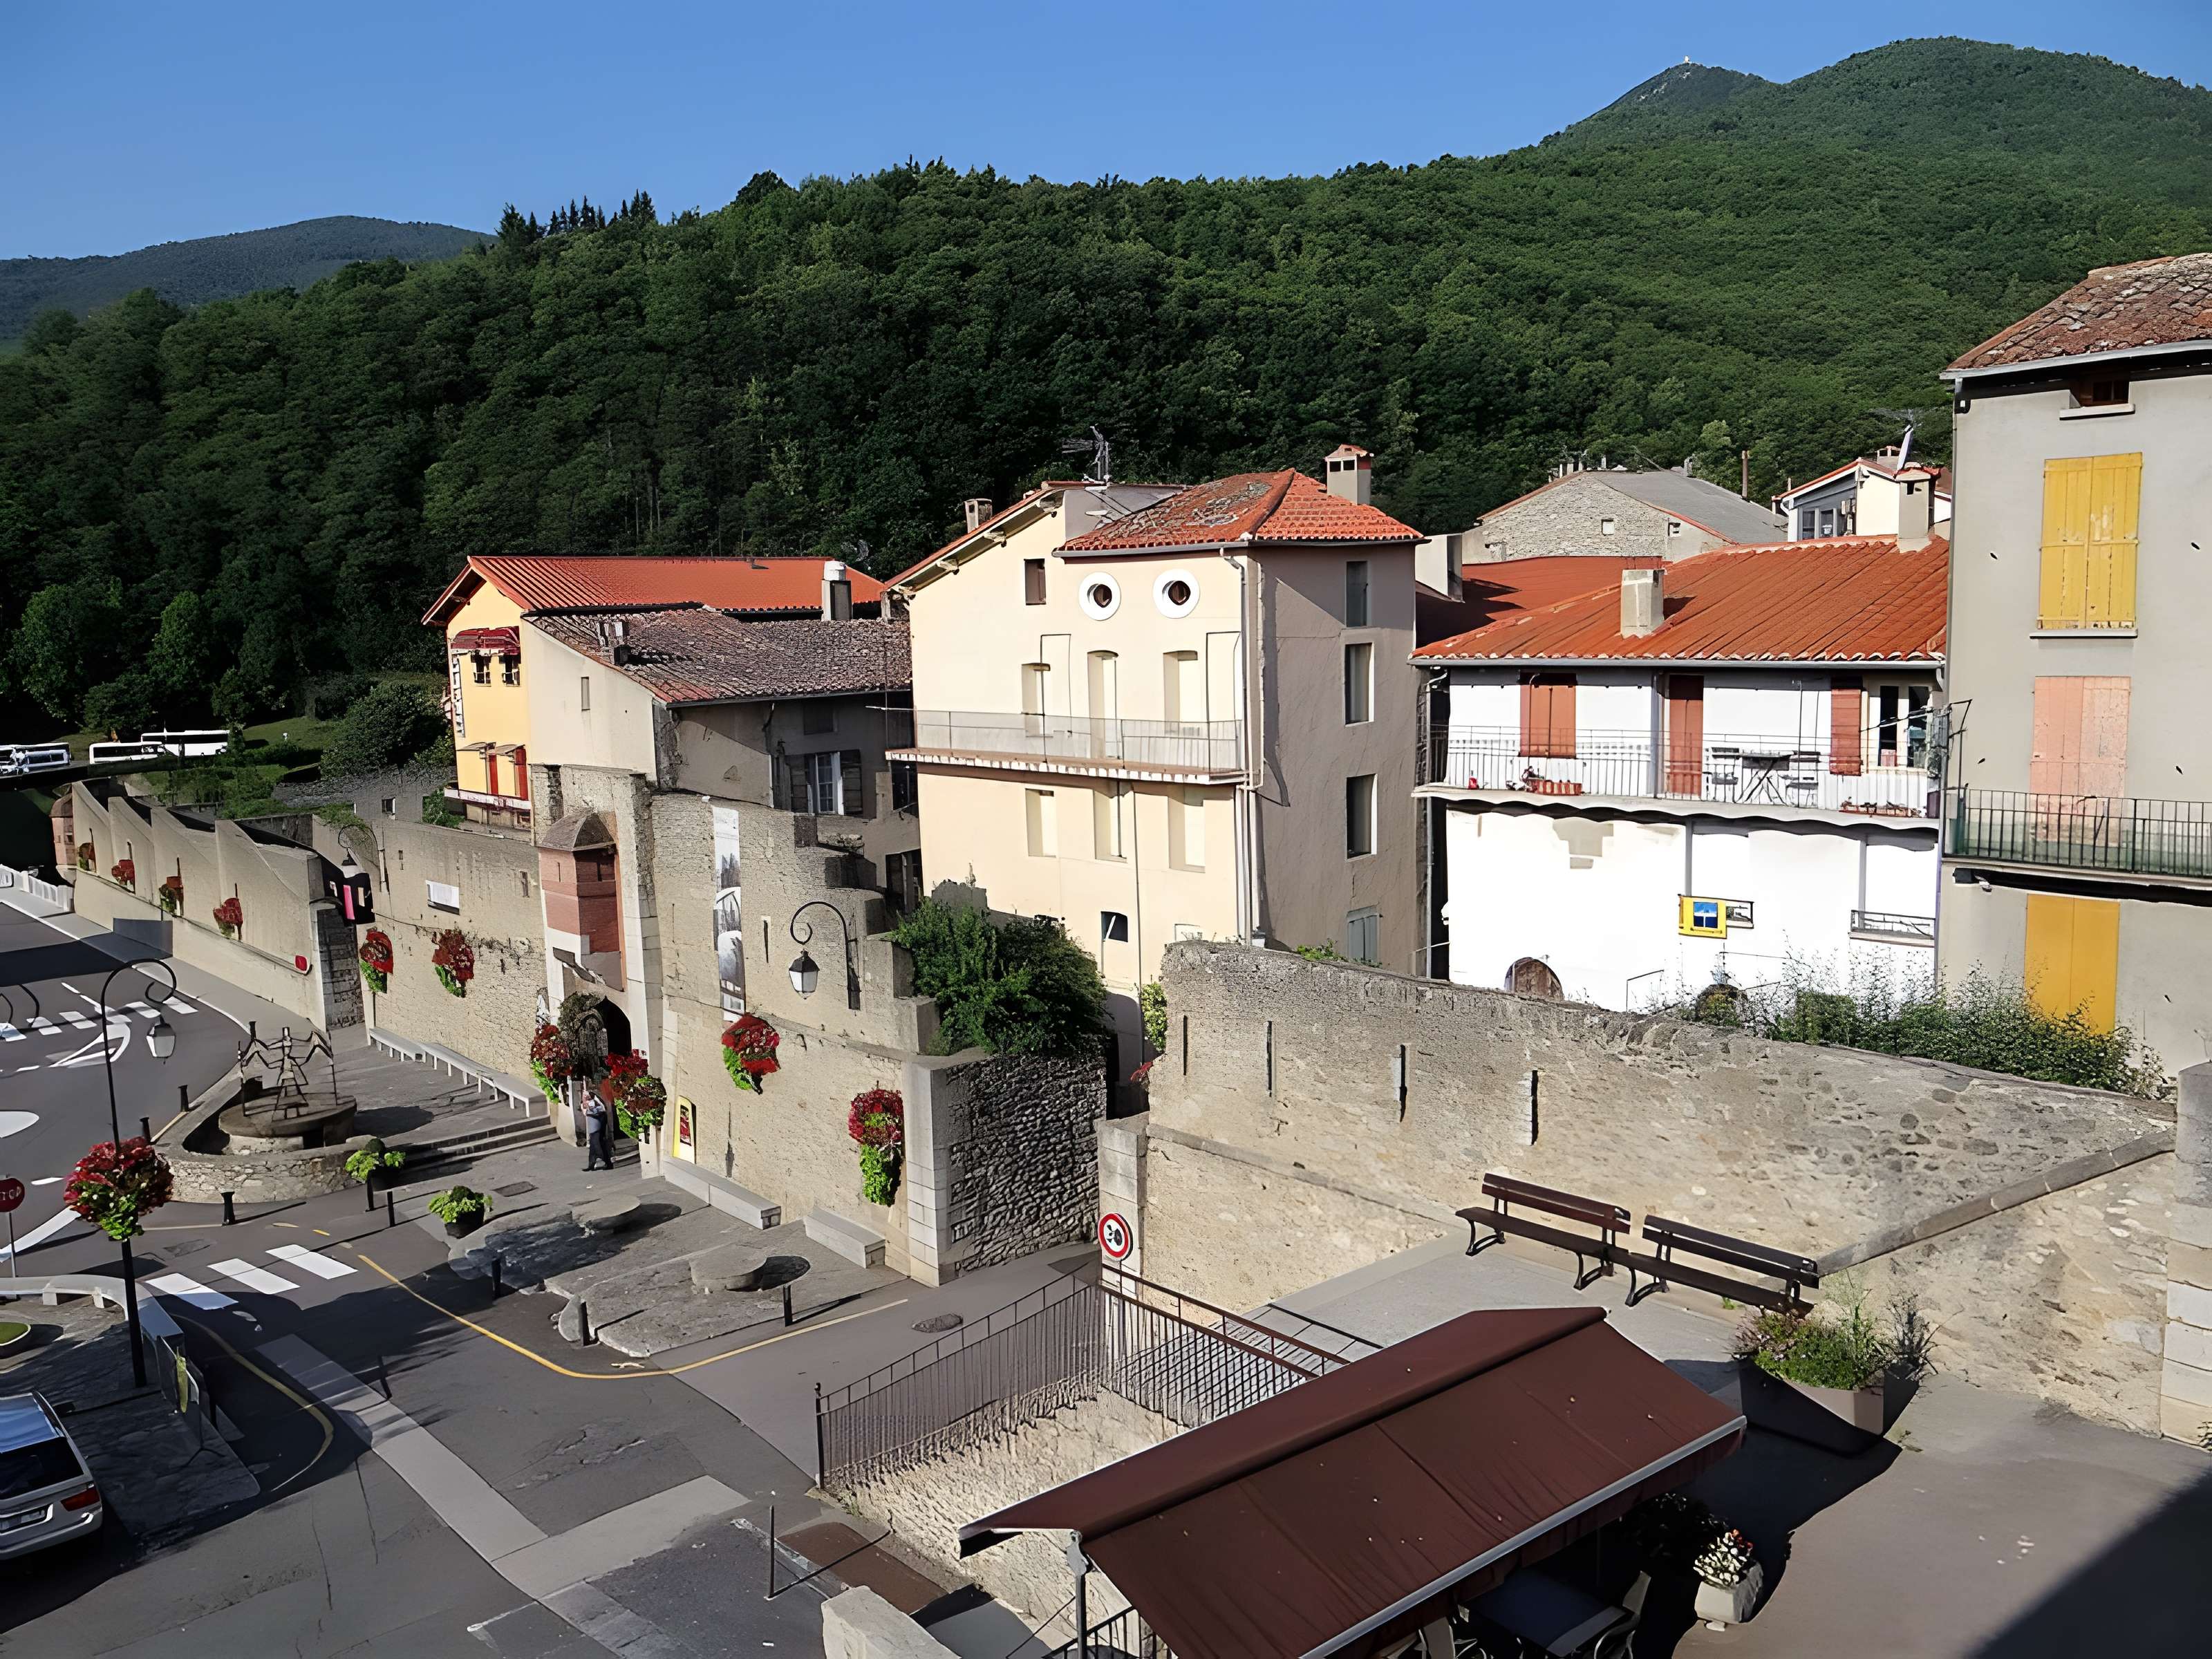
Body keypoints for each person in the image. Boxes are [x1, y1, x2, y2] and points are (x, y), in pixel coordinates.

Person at [583, 1093, 614, 1171]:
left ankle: (607, 1162)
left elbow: (600, 1111)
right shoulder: (592, 1101)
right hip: (594, 1125)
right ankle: (591, 1164)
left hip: (597, 1125)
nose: (585, 1097)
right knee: (593, 1146)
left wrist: (590, 1109)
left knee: (598, 1145)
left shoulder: (597, 1101)